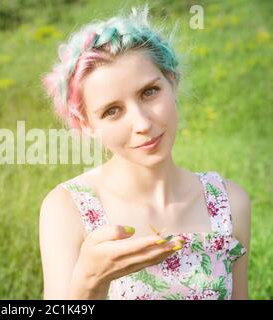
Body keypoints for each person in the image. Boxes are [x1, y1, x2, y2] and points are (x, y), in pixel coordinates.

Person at [39, 5, 250, 300]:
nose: (142, 123)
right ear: (86, 125)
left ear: (172, 81)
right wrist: (89, 281)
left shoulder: (229, 203)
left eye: (149, 92)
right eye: (112, 111)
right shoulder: (68, 209)